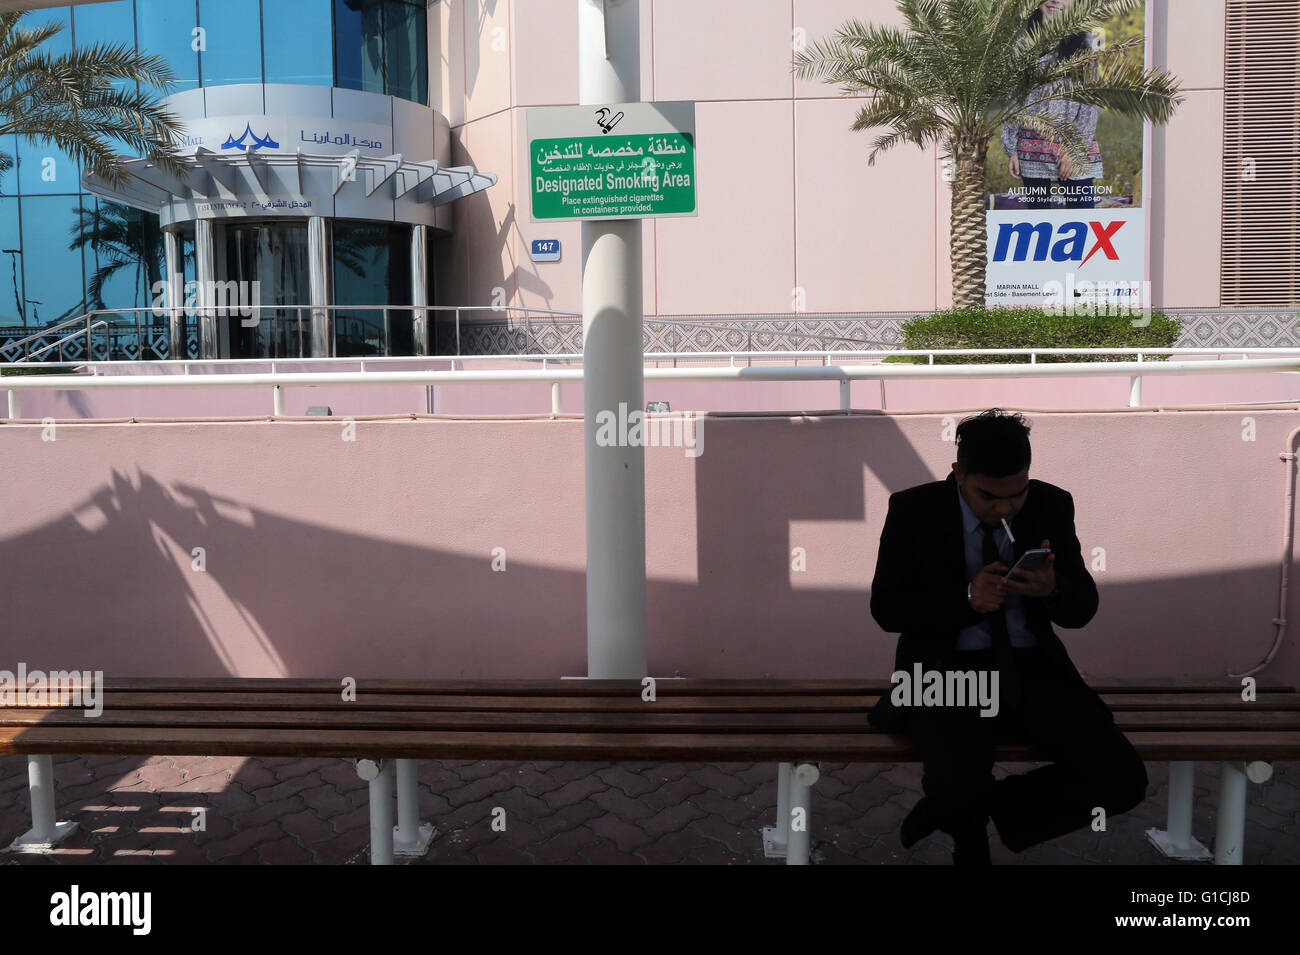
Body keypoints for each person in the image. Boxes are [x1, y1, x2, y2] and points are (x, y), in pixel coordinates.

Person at [868, 409, 1147, 864]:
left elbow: (1083, 609)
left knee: (1121, 778)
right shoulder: (913, 508)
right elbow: (886, 609)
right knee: (956, 776)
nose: (1004, 508)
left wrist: (1052, 590)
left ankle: (964, 809)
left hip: (1033, 666)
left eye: (1016, 495)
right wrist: (965, 600)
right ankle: (964, 826)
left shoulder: (1050, 505)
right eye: (988, 497)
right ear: (958, 474)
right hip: (943, 671)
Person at [1001, 0, 1103, 209]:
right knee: (1039, 221)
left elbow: (1091, 101)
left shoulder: (1089, 42)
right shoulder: (1021, 43)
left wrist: (1075, 150)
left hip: (1074, 146)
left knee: (1084, 217)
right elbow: (1012, 99)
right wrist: (1011, 149)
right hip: (1030, 147)